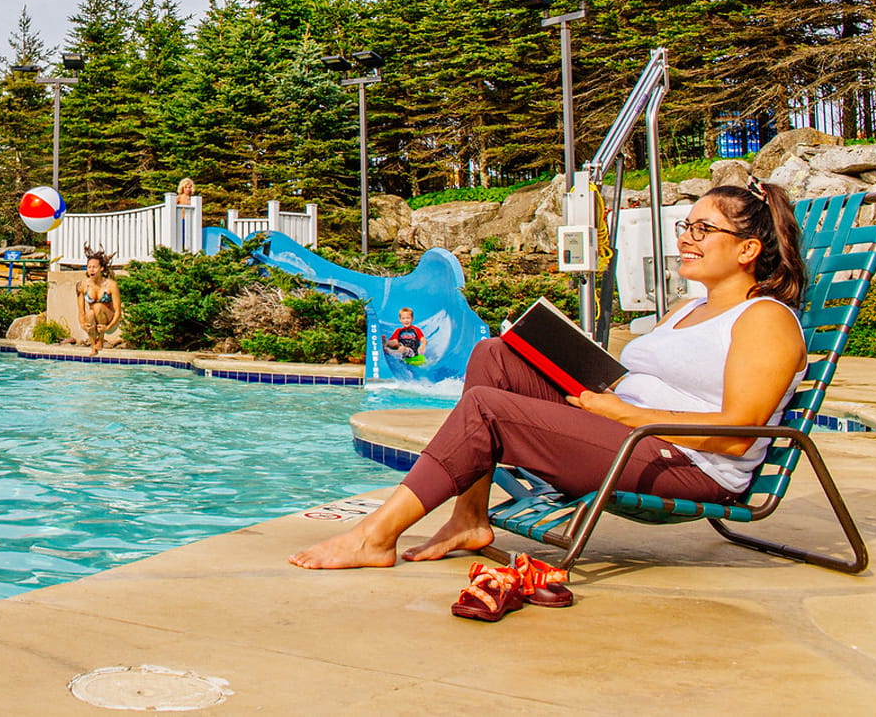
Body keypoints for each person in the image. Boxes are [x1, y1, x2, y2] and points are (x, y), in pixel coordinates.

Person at [289, 180, 808, 579]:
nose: (686, 239)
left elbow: (739, 435)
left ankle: (376, 535)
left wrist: (622, 413)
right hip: (632, 432)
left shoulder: (765, 319)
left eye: (703, 229)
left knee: (488, 409)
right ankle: (469, 517)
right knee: (495, 354)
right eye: (685, 226)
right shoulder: (687, 310)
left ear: (747, 250)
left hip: (683, 462)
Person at [75, 246, 123, 356]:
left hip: (110, 321)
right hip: (93, 321)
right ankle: (93, 346)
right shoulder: (82, 285)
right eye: (89, 267)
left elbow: (118, 311)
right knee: (91, 312)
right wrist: (82, 324)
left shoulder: (111, 285)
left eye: (94, 267)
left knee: (97, 307)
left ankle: (101, 339)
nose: (91, 269)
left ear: (101, 268)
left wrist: (108, 327)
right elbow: (81, 311)